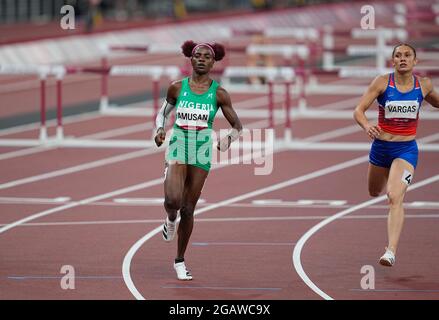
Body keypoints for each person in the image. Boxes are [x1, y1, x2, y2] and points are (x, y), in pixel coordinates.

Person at [154, 40, 243, 280]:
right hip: (179, 142)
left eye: (207, 56)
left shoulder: (220, 93)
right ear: (190, 60)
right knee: (172, 200)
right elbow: (162, 115)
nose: (202, 59)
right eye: (197, 55)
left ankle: (180, 261)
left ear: (214, 62)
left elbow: (237, 125)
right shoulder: (176, 88)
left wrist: (229, 139)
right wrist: (159, 130)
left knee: (188, 209)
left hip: (202, 147)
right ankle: (170, 220)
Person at [354, 43, 439, 267]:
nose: (403, 59)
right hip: (381, 148)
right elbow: (358, 110)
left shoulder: (424, 85)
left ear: (415, 61)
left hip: (406, 150)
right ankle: (386, 180)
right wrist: (366, 126)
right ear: (393, 61)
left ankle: (390, 251)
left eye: (407, 55)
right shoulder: (382, 82)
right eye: (398, 56)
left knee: (394, 196)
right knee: (374, 192)